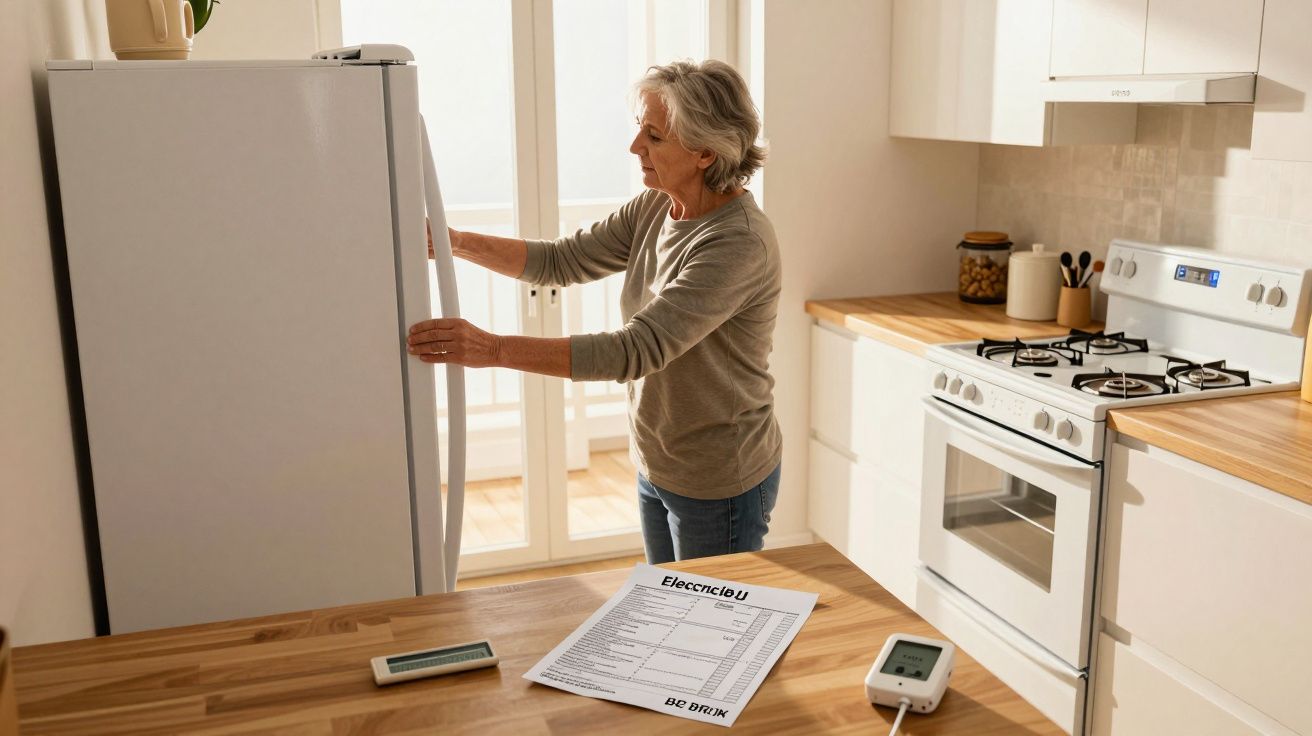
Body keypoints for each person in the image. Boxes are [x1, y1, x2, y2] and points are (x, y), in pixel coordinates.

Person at [407, 59, 781, 564]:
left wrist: (491, 348)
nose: (635, 148)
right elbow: (561, 260)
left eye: (654, 136)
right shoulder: (657, 206)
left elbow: (634, 351)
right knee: (666, 613)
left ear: (705, 152)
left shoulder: (737, 243)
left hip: (718, 480)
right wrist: (457, 243)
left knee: (711, 630)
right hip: (658, 460)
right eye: (639, 130)